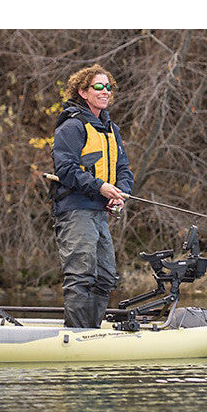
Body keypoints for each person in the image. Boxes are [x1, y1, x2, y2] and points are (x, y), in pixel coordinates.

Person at [51, 64, 134, 328]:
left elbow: (123, 170)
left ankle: (91, 331)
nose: (105, 91)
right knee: (81, 276)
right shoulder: (72, 126)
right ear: (83, 92)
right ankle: (77, 336)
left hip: (99, 213)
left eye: (108, 86)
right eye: (98, 86)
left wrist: (121, 193)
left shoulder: (111, 129)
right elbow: (64, 168)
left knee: (106, 278)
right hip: (75, 212)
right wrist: (100, 187)